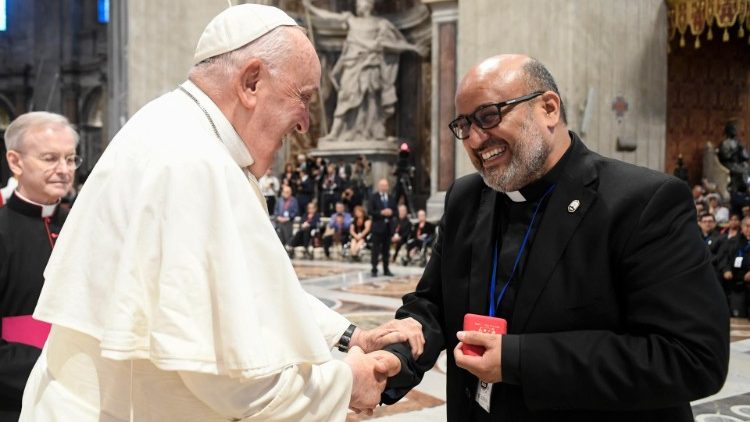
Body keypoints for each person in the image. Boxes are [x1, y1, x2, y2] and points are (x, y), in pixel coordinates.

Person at [20, 5, 425, 421]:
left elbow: (247, 289)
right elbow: (240, 384)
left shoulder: (180, 133)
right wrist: (347, 382)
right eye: (302, 97)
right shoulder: (192, 163)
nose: (305, 123)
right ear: (251, 82)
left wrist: (350, 336)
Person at [378, 54, 729, 421]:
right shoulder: (467, 197)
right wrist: (400, 352)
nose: (477, 139)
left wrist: (519, 360)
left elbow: (693, 356)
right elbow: (433, 302)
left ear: (548, 108)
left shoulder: (642, 202)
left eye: (489, 116)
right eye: (464, 125)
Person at [0, 112, 79, 420]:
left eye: (71, 159)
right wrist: (52, 369)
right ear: (16, 162)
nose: (64, 170)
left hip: (84, 392)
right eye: (50, 159)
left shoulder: (82, 223)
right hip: (17, 398)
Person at [302, 0, 422, 141]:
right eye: (358, 3)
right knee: (345, 97)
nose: (359, 5)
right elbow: (330, 17)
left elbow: (392, 43)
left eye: (362, 2)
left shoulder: (380, 23)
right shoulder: (351, 20)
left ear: (371, 5)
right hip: (352, 64)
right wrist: (311, 8)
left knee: (371, 98)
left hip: (371, 64)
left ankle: (376, 131)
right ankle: (336, 132)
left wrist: (413, 48)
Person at [719, 216, 750, 318]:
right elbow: (723, 257)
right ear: (742, 227)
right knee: (737, 314)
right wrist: (726, 270)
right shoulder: (732, 241)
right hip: (736, 283)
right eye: (747, 226)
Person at [368, 178, 396, 276]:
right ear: (379, 186)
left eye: (386, 185)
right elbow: (370, 211)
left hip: (388, 228)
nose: (384, 187)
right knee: (375, 250)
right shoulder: (373, 197)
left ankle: (386, 269)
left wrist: (391, 212)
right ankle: (374, 269)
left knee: (386, 250)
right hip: (377, 227)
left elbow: (395, 211)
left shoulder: (391, 197)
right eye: (382, 185)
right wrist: (381, 212)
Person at [274, 184, 299, 252]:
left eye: (287, 192)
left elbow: (295, 211)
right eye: (284, 192)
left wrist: (287, 218)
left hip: (288, 222)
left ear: (290, 193)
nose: (286, 193)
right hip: (279, 222)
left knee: (288, 238)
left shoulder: (293, 200)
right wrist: (278, 217)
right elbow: (276, 211)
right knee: (279, 239)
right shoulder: (279, 200)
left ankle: (288, 253)